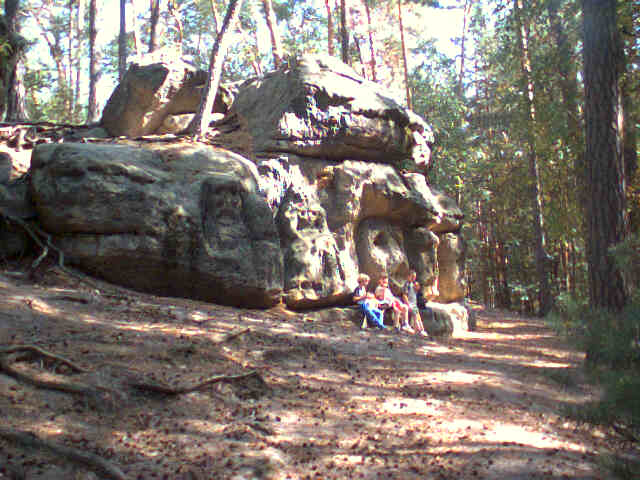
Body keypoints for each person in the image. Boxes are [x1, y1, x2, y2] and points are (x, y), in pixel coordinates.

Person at [402, 270, 429, 337]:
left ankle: (421, 329)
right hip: (410, 303)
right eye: (412, 276)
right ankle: (419, 330)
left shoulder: (413, 284)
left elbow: (416, 292)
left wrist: (417, 288)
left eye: (414, 277)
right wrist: (408, 304)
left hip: (414, 304)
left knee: (418, 316)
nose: (413, 278)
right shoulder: (407, 284)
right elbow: (404, 295)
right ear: (408, 276)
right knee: (415, 315)